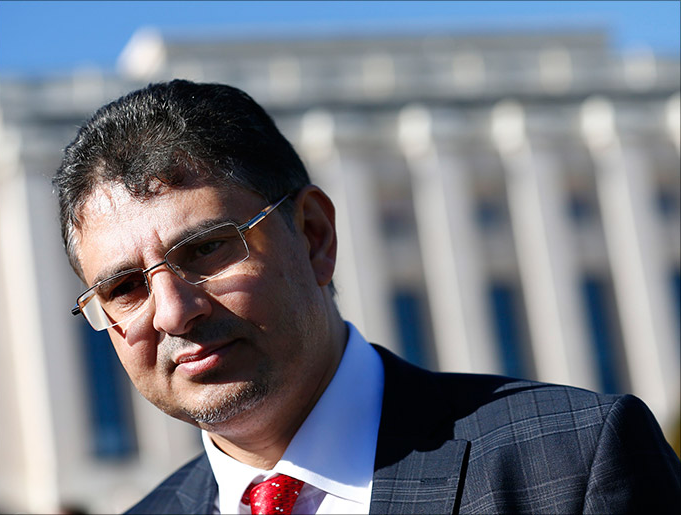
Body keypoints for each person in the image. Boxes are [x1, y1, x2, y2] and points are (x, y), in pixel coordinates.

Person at [53, 79, 680, 515]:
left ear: (314, 236)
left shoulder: (569, 465)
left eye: (208, 250)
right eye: (124, 288)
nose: (172, 310)